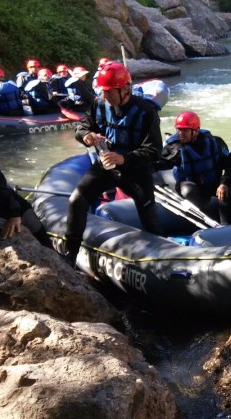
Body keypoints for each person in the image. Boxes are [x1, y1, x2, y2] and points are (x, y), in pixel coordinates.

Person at [64, 62, 162, 267]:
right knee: (77, 200)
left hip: (135, 171)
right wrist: (86, 136)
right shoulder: (99, 104)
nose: (105, 96)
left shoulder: (146, 111)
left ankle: (157, 260)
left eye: (109, 92)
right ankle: (69, 254)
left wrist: (125, 159)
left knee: (149, 220)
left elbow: (153, 150)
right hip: (106, 165)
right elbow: (81, 127)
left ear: (124, 89)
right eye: (103, 91)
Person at [159, 111, 231, 224]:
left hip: (213, 183)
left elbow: (229, 164)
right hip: (190, 186)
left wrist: (224, 183)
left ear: (196, 131)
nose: (181, 134)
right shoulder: (174, 148)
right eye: (179, 130)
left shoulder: (215, 142)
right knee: (189, 190)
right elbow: (157, 164)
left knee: (229, 189)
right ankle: (203, 220)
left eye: (185, 130)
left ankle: (226, 224)